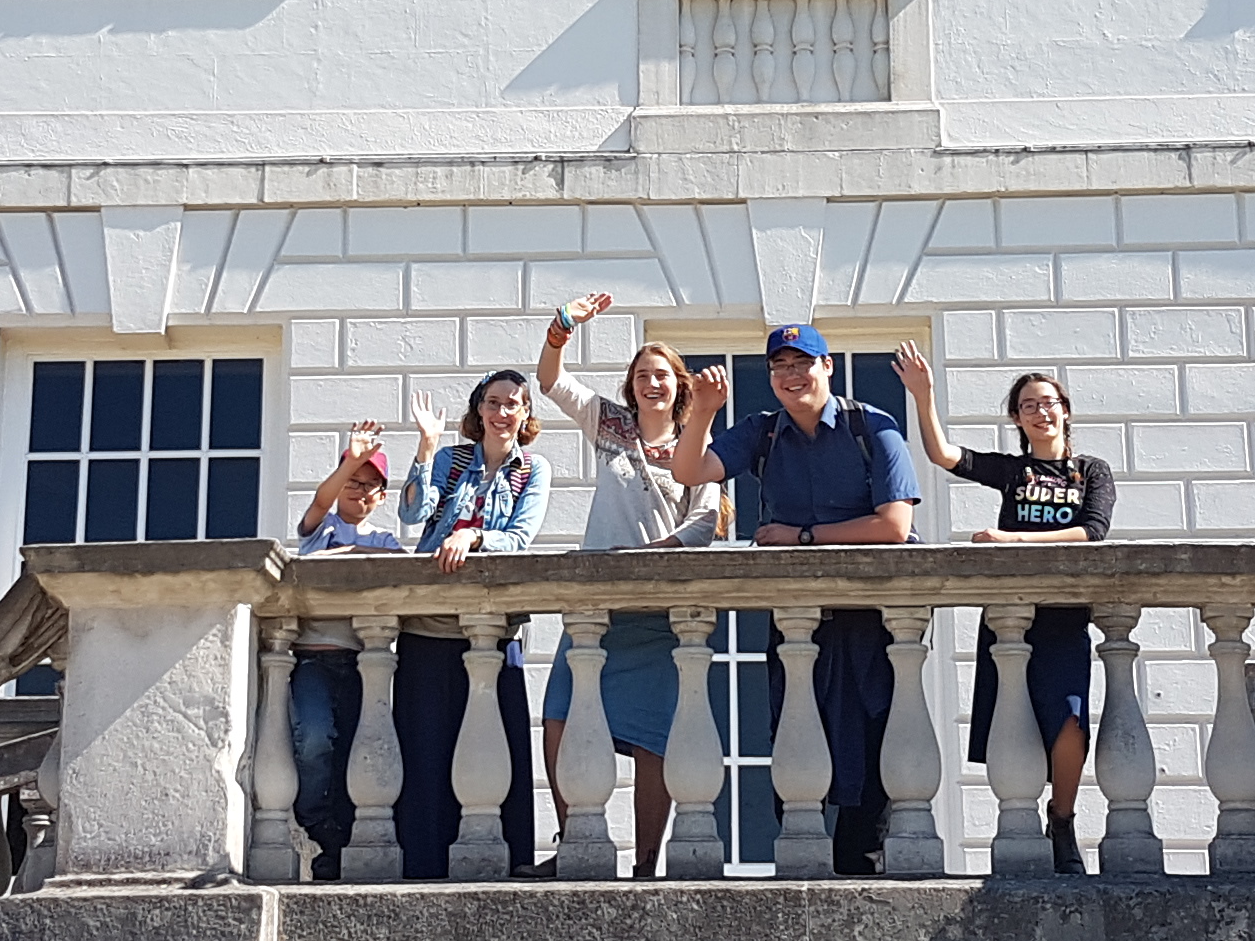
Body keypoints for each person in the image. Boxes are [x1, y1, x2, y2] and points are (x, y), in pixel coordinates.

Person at [663, 325, 919, 872]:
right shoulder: (762, 430)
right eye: (779, 366)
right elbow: (689, 471)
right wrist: (703, 411)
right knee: (794, 725)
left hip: (870, 615)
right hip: (797, 616)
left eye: (803, 362)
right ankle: (801, 854)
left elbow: (895, 526)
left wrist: (802, 536)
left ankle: (860, 858)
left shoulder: (872, 427)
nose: (791, 375)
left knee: (871, 729)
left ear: (828, 367)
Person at [893, 343, 1118, 874]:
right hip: (1011, 620)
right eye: (1028, 405)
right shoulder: (1014, 472)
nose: (1041, 412)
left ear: (1065, 410)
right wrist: (924, 396)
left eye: (1048, 402)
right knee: (1015, 725)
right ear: (1017, 419)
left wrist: (1011, 539)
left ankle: (1062, 819)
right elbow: (944, 455)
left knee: (1071, 725)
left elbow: (1092, 532)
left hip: (1064, 616)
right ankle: (1022, 827)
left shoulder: (1092, 471)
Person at [533, 291, 721, 876]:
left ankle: (643, 864)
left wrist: (651, 557)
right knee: (559, 718)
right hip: (596, 608)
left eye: (661, 375)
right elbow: (551, 382)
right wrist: (563, 326)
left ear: (678, 386)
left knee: (651, 740)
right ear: (630, 387)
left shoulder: (697, 446)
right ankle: (575, 844)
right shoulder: (610, 425)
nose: (651, 384)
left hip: (657, 612)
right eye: (642, 376)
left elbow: (705, 522)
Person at [390, 369, 547, 878]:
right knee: (426, 748)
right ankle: (424, 866)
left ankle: (505, 861)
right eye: (493, 402)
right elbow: (414, 514)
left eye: (513, 404)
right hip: (429, 626)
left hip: (493, 630)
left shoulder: (534, 470)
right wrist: (425, 446)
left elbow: (519, 538)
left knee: (499, 748)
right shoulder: (451, 460)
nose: (502, 413)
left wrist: (473, 536)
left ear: (525, 413)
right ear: (479, 409)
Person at [284, 427, 404, 881]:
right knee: (315, 738)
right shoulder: (322, 529)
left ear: (382, 496)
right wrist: (351, 460)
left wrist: (350, 552)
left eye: (370, 483)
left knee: (354, 750)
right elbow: (319, 503)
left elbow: (399, 568)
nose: (359, 489)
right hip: (313, 659)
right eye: (353, 480)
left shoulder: (385, 541)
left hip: (360, 664)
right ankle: (314, 821)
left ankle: (337, 838)